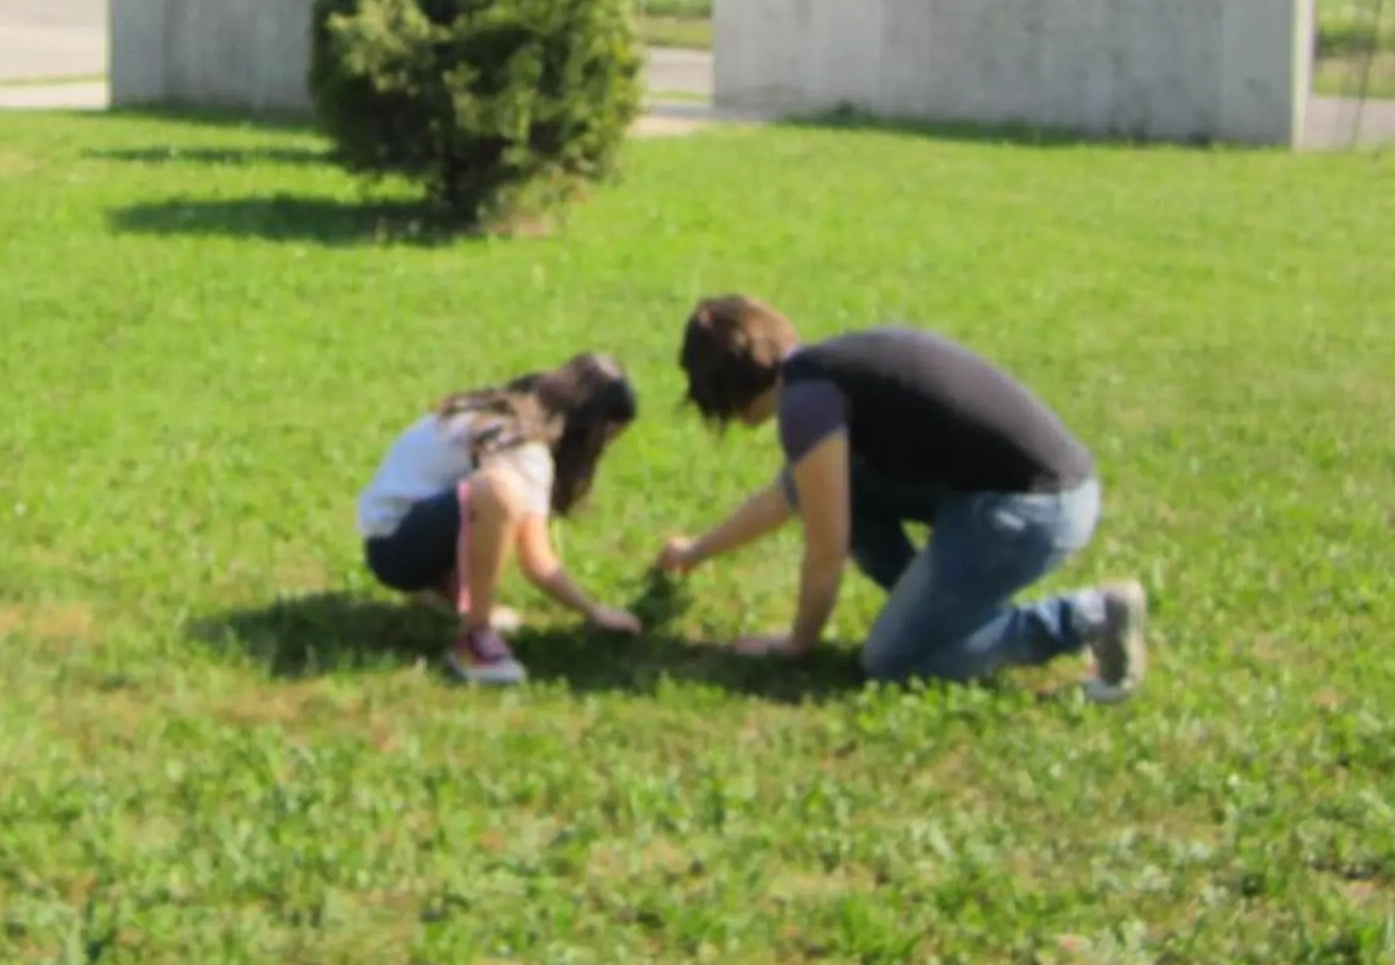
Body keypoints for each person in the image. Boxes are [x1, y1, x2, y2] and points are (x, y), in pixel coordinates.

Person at [652, 296, 1147, 698]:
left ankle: (1089, 617)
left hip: (1032, 511)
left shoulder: (805, 403)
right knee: (838, 490)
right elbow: (786, 497)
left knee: (891, 661)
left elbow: (825, 553)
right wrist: (695, 552)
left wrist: (796, 644)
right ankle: (931, 609)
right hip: (1028, 491)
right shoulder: (822, 371)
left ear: (727, 391)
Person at [358, 351, 646, 687]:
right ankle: (473, 640)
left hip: (391, 538)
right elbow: (537, 561)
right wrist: (595, 612)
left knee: (497, 500)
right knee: (497, 492)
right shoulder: (525, 447)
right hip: (397, 551)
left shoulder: (500, 411)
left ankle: (448, 594)